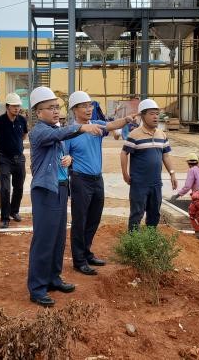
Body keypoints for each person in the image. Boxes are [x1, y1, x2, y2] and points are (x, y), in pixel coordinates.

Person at [27, 86, 104, 307]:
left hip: (60, 188)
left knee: (58, 237)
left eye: (56, 107)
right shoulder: (39, 131)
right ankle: (37, 287)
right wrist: (82, 127)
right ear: (38, 112)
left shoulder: (55, 129)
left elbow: (59, 151)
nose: (55, 111)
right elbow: (58, 135)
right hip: (46, 191)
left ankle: (53, 277)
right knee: (44, 239)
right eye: (50, 108)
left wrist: (68, 160)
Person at [64, 91, 136, 276]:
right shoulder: (70, 132)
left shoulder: (96, 125)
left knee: (94, 218)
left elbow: (111, 125)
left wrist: (126, 119)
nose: (89, 109)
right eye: (84, 106)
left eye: (90, 105)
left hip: (97, 179)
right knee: (80, 221)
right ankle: (79, 260)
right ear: (74, 110)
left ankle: (86, 252)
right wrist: (68, 160)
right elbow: (64, 155)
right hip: (80, 180)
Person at [120, 99, 177, 231]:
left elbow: (166, 156)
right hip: (139, 183)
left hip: (156, 183)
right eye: (152, 114)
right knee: (137, 213)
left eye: (157, 114)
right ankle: (133, 240)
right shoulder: (134, 135)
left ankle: (150, 238)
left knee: (154, 213)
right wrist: (125, 174)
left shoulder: (162, 135)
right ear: (142, 115)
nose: (155, 117)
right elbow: (124, 153)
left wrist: (172, 173)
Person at [0, 93, 28, 229]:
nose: (17, 108)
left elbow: (24, 135)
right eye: (14, 106)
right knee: (5, 188)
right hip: (4, 159)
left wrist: (15, 145)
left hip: (19, 159)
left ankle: (14, 211)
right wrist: (2, 147)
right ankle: (5, 218)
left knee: (19, 187)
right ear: (7, 106)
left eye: (18, 106)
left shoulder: (22, 120)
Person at [175, 153, 199, 240]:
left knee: (197, 214)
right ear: (197, 162)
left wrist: (178, 194)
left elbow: (187, 186)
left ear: (188, 163)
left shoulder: (192, 170)